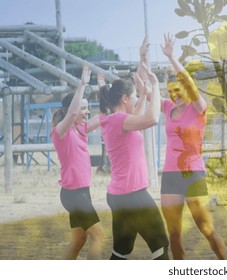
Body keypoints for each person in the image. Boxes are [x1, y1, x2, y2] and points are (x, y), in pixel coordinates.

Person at [98, 37, 169, 260]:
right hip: (133, 195)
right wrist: (156, 86)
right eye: (135, 96)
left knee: (121, 252)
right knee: (161, 246)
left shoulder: (116, 119)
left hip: (120, 195)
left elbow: (136, 106)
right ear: (126, 99)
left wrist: (142, 60)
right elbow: (152, 118)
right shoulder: (120, 120)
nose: (138, 97)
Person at [158, 33, 227, 260]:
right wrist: (145, 73)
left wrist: (172, 58)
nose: (175, 95)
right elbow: (147, 95)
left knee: (205, 228)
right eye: (171, 91)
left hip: (192, 174)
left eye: (178, 90)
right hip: (170, 174)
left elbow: (188, 81)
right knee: (173, 234)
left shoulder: (198, 108)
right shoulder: (168, 108)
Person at [51, 63, 104, 260]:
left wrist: (100, 89)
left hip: (83, 192)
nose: (87, 113)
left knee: (79, 240)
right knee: (98, 235)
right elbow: (73, 113)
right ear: (70, 110)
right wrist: (82, 84)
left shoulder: (81, 130)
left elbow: (103, 117)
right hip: (72, 195)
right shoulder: (60, 133)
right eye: (84, 108)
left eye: (87, 109)